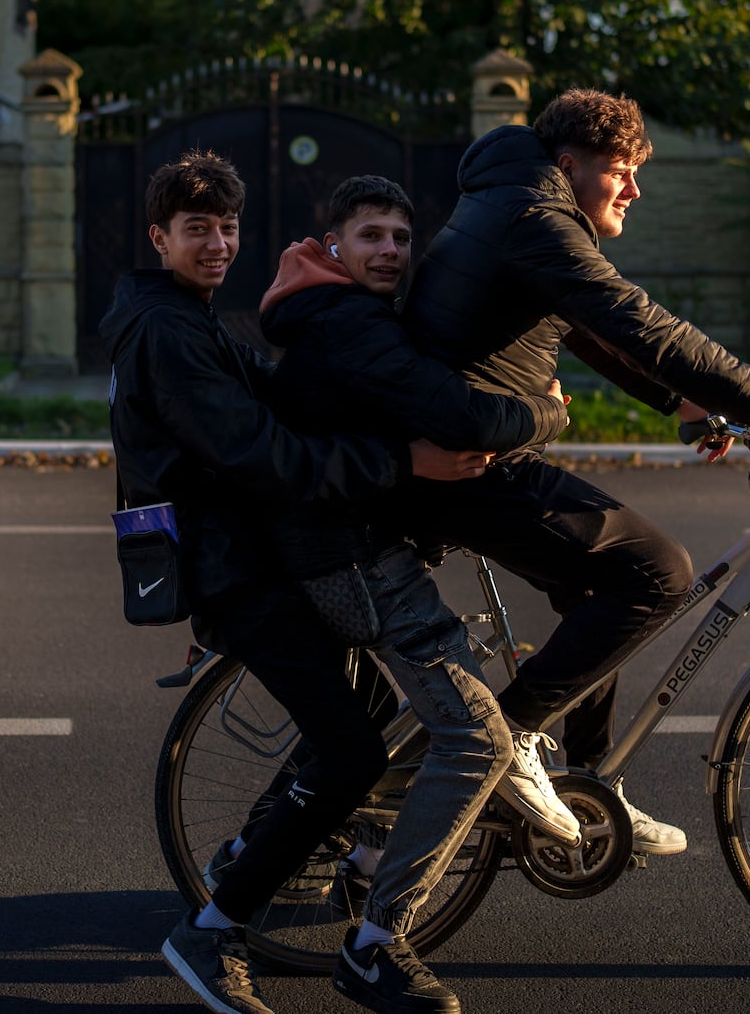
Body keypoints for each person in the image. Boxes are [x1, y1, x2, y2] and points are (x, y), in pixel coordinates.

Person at [99, 149, 490, 1014]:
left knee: (365, 717)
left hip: (248, 554)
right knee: (351, 750)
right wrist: (402, 459)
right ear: (160, 235)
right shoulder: (168, 331)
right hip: (234, 569)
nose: (218, 243)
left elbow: (274, 397)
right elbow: (261, 452)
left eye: (228, 227)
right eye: (197, 228)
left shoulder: (185, 315)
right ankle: (213, 927)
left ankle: (260, 856)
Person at [401, 88, 750, 857]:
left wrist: (682, 401)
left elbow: (586, 331)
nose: (634, 189)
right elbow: (634, 318)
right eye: (621, 171)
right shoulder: (537, 219)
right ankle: (506, 739)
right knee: (658, 572)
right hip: (469, 464)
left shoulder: (517, 202)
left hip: (472, 448)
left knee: (603, 593)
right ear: (569, 164)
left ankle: (589, 786)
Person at [256, 174, 580, 1014]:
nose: (390, 251)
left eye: (401, 238)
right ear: (333, 246)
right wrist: (545, 412)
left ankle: (315, 854)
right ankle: (377, 943)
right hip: (349, 556)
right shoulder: (349, 322)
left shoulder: (332, 310)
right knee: (477, 737)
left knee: (411, 714)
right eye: (371, 236)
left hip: (353, 539)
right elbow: (462, 415)